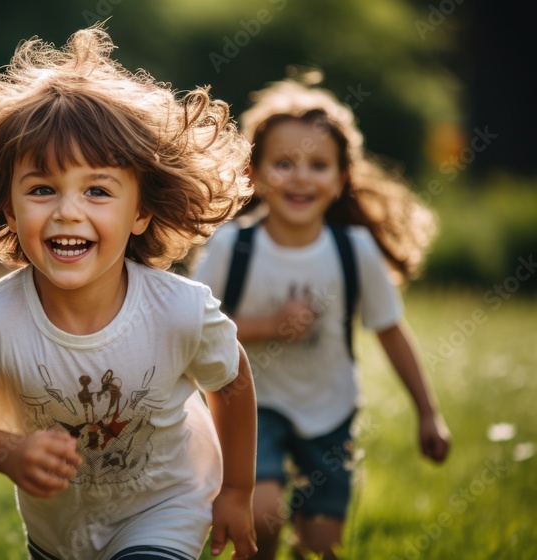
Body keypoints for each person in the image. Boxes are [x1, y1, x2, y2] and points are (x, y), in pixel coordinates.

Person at [0, 27, 258, 560]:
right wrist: (7, 452)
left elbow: (231, 383)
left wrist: (236, 490)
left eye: (97, 191)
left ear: (140, 211)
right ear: (10, 209)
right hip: (57, 532)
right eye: (42, 189)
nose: (68, 211)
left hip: (166, 507)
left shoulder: (180, 311)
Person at [192, 77, 451, 560]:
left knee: (320, 547)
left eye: (318, 165)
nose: (301, 177)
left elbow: (391, 331)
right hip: (252, 405)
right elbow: (194, 330)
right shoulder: (232, 246)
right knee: (263, 515)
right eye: (283, 164)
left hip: (330, 408)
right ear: (254, 172)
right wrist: (268, 325)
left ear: (341, 177)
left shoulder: (354, 251)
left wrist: (428, 412)